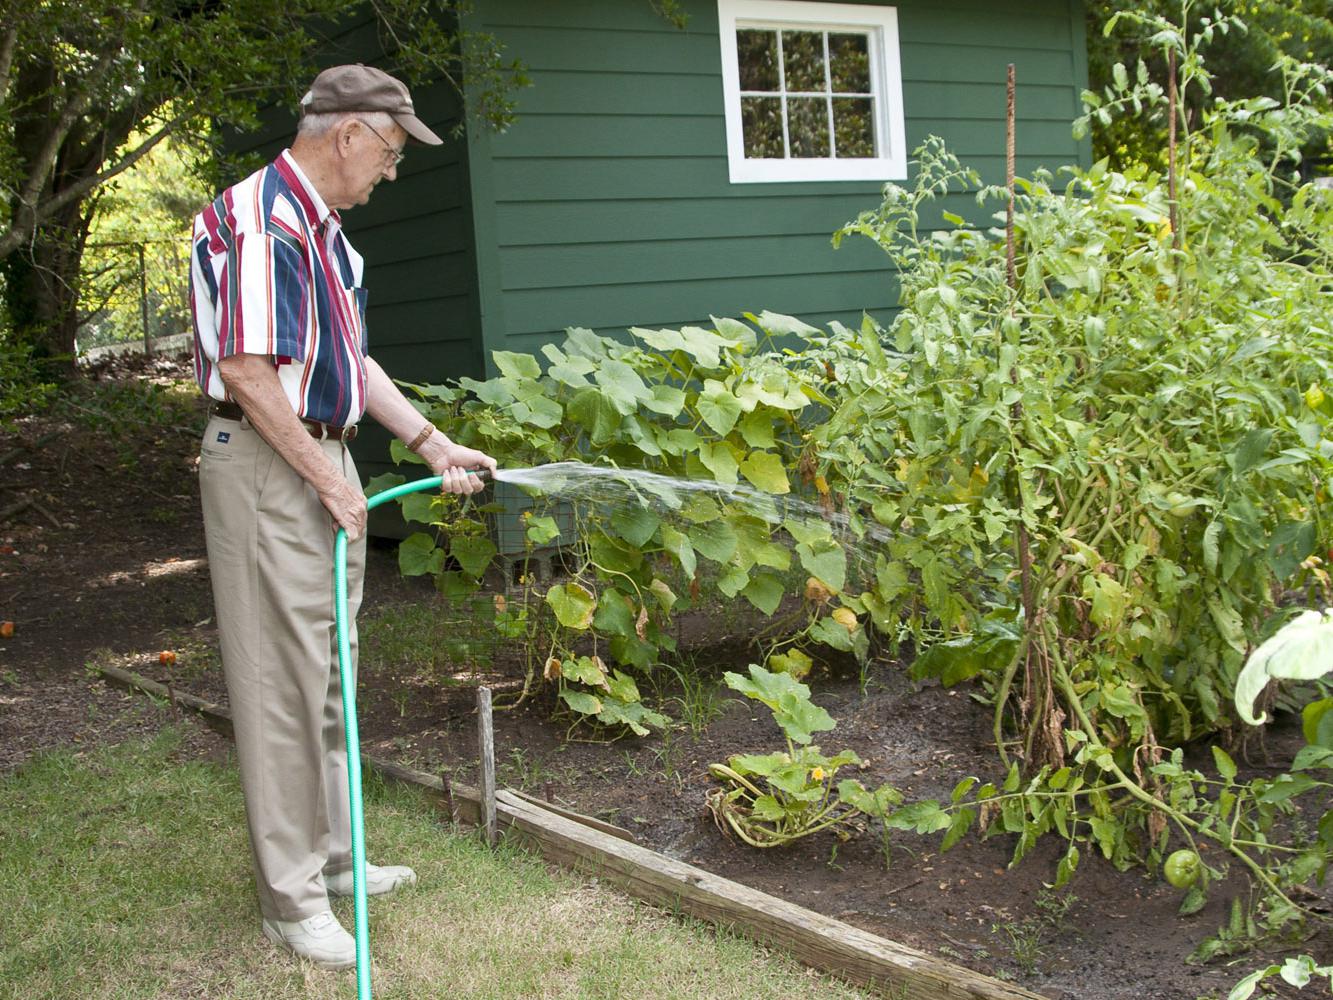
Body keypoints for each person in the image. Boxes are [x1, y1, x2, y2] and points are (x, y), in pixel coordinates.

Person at [188, 63, 496, 970]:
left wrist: (431, 442)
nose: (392, 172)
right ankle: (292, 900)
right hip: (267, 463)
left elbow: (351, 364)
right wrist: (326, 478)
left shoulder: (327, 236)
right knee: (281, 684)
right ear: (349, 133)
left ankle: (332, 858)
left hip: (317, 451)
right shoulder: (260, 222)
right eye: (392, 152)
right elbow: (248, 371)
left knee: (328, 670)